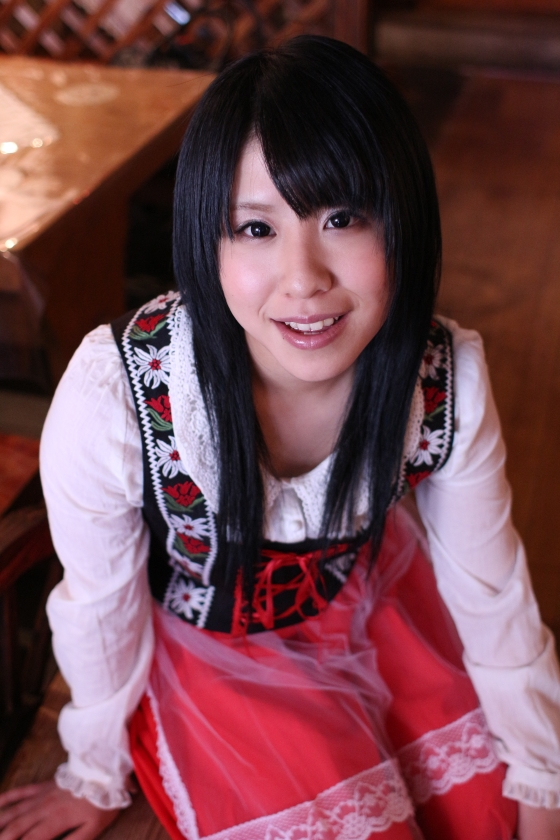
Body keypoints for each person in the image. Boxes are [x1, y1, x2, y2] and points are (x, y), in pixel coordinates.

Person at [1, 35, 559, 840]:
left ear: (402, 220)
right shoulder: (120, 391)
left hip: (367, 605)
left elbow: (493, 593)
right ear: (206, 239)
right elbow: (98, 606)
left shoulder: (444, 379)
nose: (305, 279)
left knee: (493, 810)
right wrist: (93, 773)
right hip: (200, 647)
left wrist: (542, 779)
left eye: (342, 217)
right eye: (255, 228)